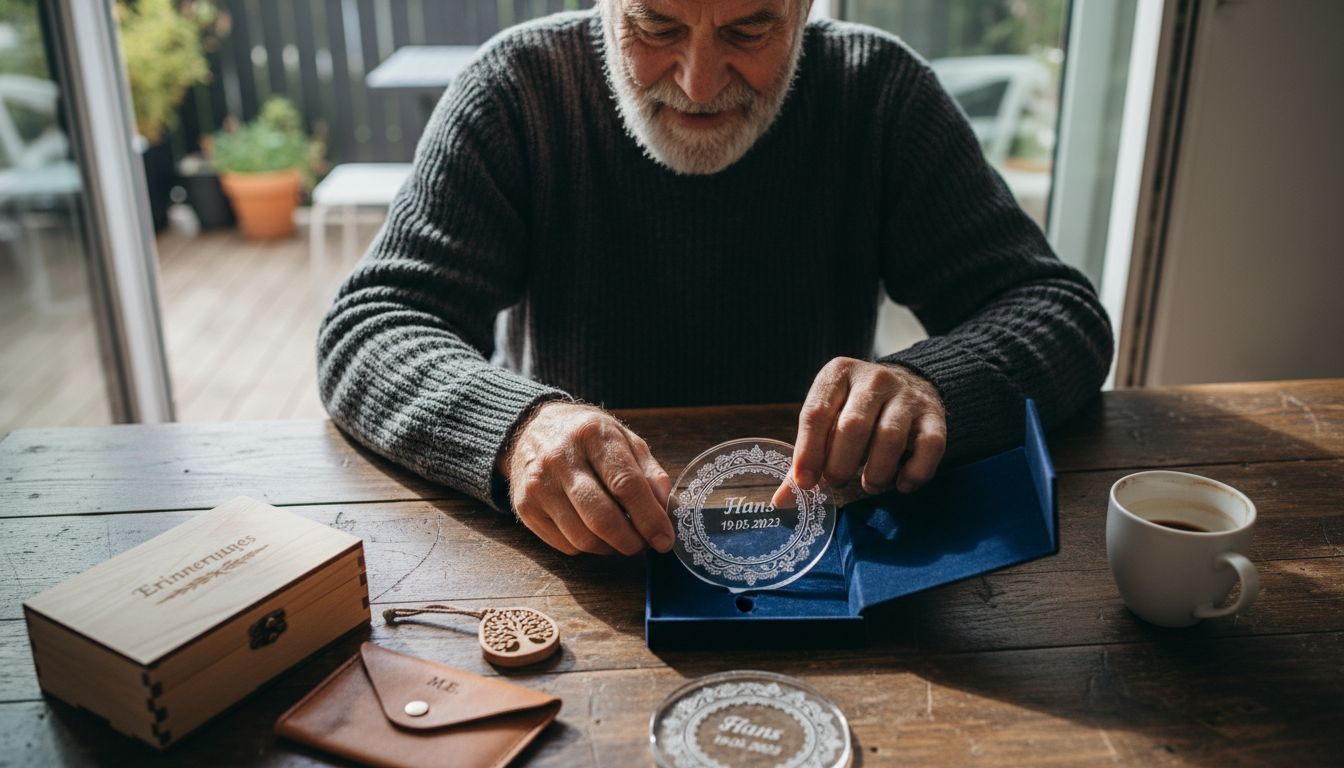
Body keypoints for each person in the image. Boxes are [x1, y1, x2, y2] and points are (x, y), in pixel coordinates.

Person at [316, 0, 1113, 558]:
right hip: (570, 553)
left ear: (803, 9)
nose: (698, 82)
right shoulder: (519, 90)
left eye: (749, 29)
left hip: (822, 546)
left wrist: (932, 386)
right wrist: (518, 429)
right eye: (655, 26)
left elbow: (1057, 311)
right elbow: (371, 325)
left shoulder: (879, 95)